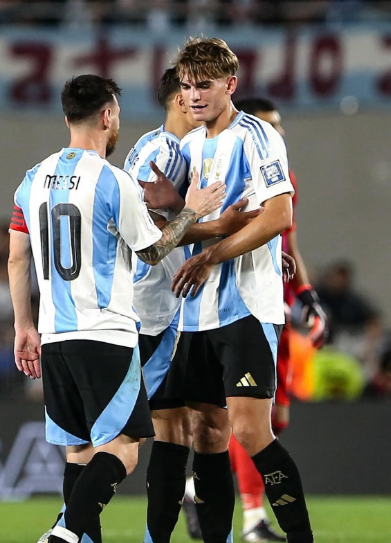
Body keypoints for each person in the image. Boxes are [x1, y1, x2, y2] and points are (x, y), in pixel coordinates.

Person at [7, 74, 225, 543]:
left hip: (55, 335)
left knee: (79, 453)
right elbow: (153, 250)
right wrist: (192, 209)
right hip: (105, 333)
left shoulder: (32, 179)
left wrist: (24, 325)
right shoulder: (112, 180)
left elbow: (16, 257)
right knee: (124, 450)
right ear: (107, 116)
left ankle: (75, 537)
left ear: (68, 117)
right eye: (118, 114)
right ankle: (63, 534)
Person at [169, 38, 314, 543]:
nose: (194, 96)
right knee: (207, 433)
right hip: (196, 311)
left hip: (246, 307)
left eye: (204, 85)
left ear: (230, 85)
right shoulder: (189, 145)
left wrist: (212, 254)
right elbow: (178, 227)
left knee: (250, 431)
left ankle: (299, 537)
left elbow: (279, 215)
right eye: (187, 86)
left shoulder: (258, 136)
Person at [126, 68, 261, 543]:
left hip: (186, 309)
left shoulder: (185, 149)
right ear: (181, 100)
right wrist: (220, 226)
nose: (201, 99)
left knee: (198, 428)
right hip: (160, 312)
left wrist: (249, 241)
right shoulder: (165, 151)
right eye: (192, 90)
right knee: (174, 430)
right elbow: (149, 237)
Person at [225, 97, 327, 542]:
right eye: (269, 126)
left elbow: (290, 242)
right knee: (249, 419)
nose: (278, 134)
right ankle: (252, 519)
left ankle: (197, 488)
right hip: (241, 309)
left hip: (278, 309)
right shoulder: (230, 176)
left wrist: (306, 295)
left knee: (273, 419)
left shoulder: (284, 178)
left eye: (279, 126)